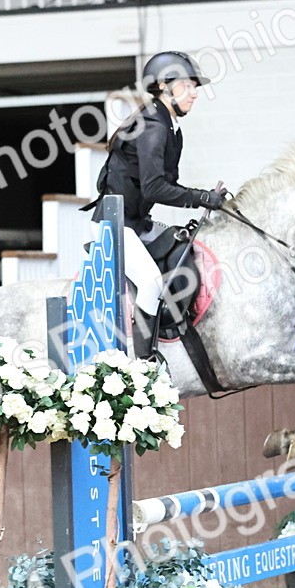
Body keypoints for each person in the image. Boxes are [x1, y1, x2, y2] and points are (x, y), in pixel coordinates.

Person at [83, 51, 226, 360]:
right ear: (164, 86)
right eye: (187, 85)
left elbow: (165, 185)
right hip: (115, 226)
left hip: (136, 222)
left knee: (185, 246)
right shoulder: (153, 125)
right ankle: (144, 361)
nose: (194, 94)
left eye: (195, 87)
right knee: (150, 281)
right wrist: (202, 198)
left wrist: (206, 200)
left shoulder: (169, 126)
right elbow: (155, 187)